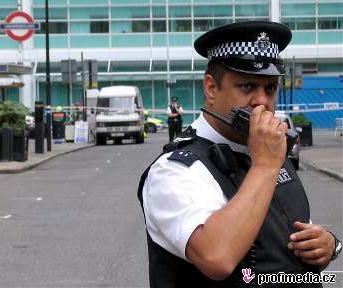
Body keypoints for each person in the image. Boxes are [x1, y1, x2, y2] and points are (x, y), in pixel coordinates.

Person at [137, 21, 341, 288]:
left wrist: (328, 245)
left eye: (269, 88)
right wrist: (265, 166)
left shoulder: (267, 150)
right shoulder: (175, 170)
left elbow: (288, 236)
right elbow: (216, 257)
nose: (262, 102)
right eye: (247, 87)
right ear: (211, 89)